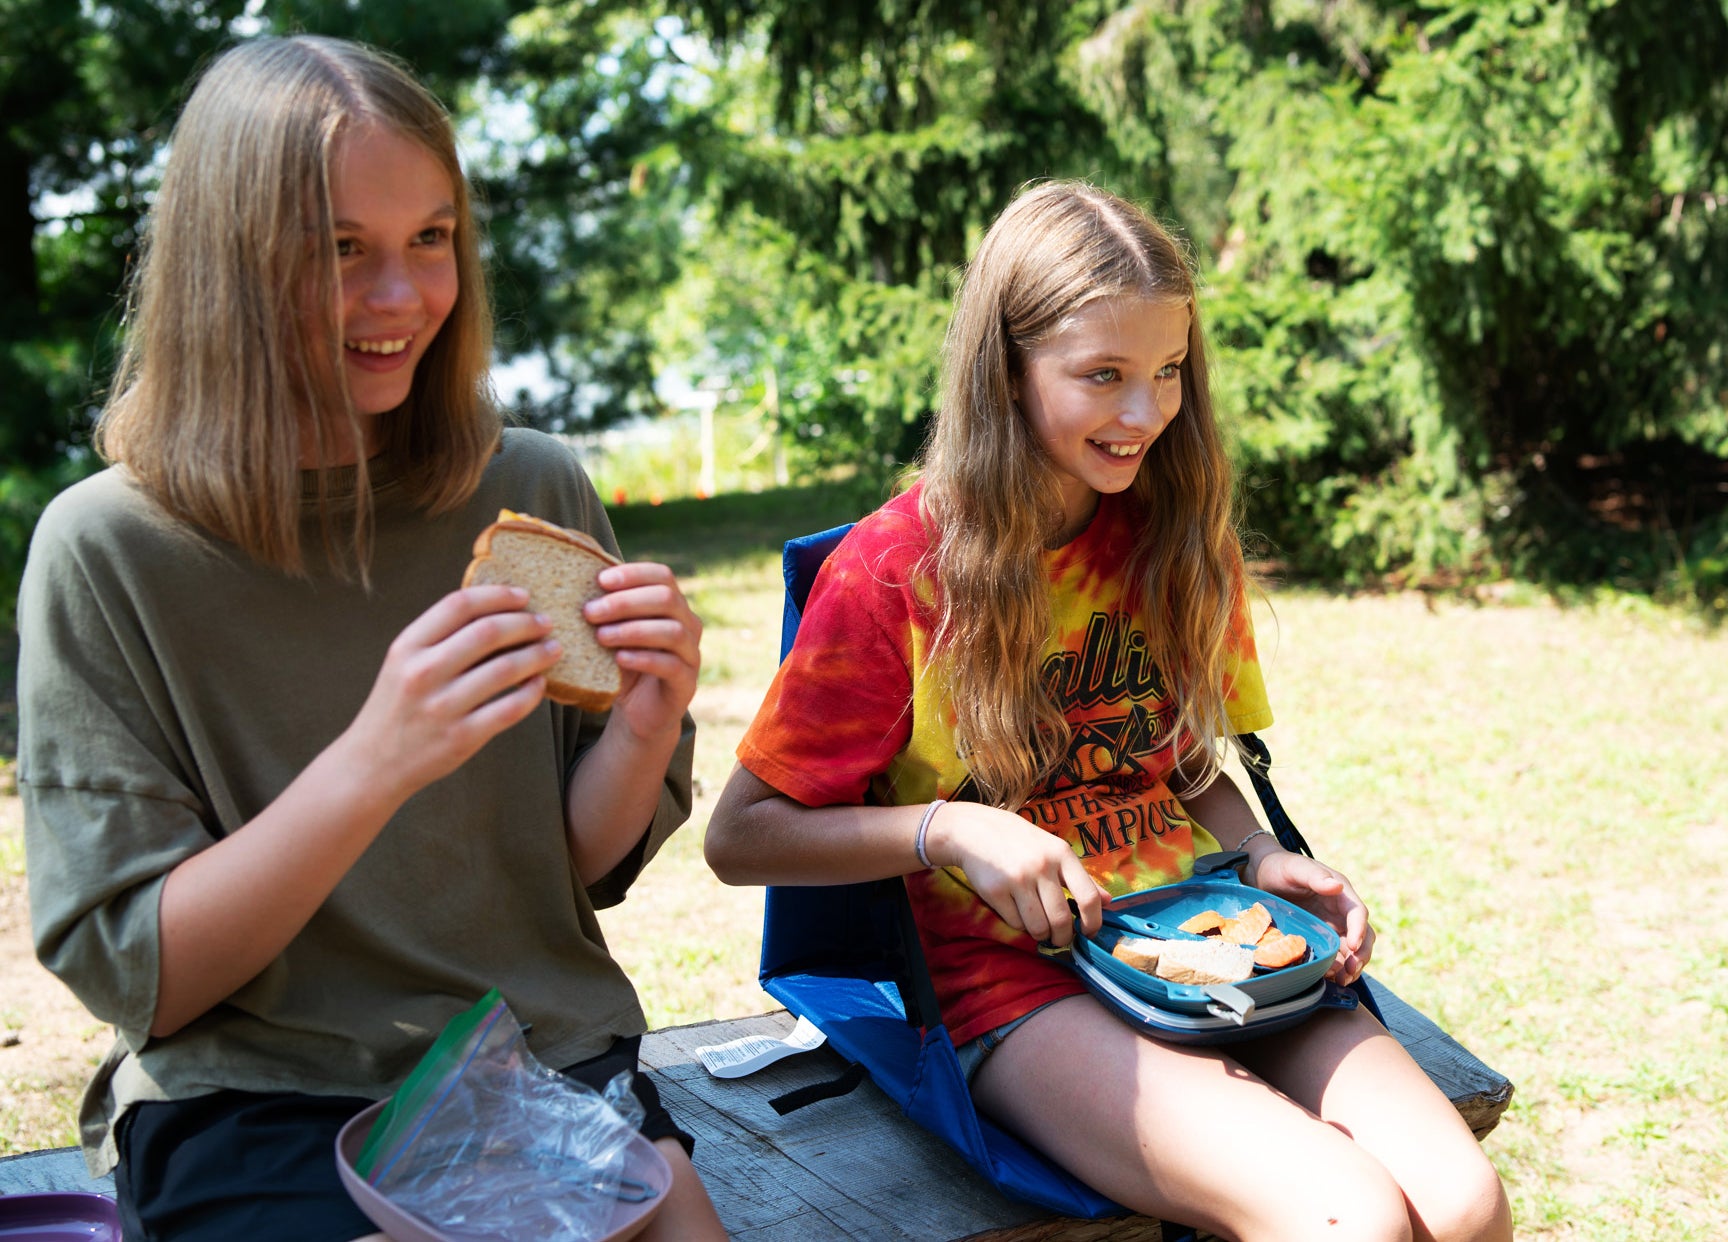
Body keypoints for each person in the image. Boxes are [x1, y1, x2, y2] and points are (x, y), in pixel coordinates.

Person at [704, 181, 1512, 1242]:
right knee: (1345, 1220)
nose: (1145, 414)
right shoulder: (895, 574)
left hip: (1202, 937)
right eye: (1103, 376)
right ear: (1006, 369)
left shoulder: (1176, 540)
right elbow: (741, 838)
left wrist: (1261, 859)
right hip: (1015, 986)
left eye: (1168, 372)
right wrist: (950, 829)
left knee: (1465, 1206)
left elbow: (1184, 775)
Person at [17, 35, 726, 1242]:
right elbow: (149, 975)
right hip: (261, 1097)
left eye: (430, 239)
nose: (401, 300)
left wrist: (648, 717)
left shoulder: (534, 487)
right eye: (338, 250)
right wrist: (376, 757)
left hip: (536, 1057)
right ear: (224, 265)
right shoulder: (106, 550)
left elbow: (575, 865)